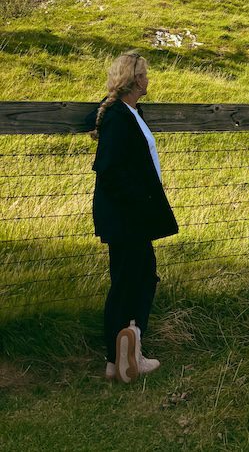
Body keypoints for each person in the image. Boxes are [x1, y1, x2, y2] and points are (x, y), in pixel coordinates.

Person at [90, 51, 178, 383]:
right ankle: (127, 352)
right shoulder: (117, 117)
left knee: (133, 277)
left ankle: (119, 358)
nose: (149, 79)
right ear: (136, 79)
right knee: (135, 279)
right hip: (126, 215)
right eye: (146, 75)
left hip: (130, 214)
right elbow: (109, 170)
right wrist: (140, 201)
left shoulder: (129, 112)